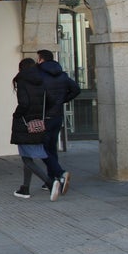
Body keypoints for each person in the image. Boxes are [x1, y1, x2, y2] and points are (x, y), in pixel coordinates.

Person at [10, 58, 57, 201]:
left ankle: (50, 183)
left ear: (21, 68)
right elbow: (51, 101)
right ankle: (25, 188)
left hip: (25, 124)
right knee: (28, 156)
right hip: (37, 123)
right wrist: (39, 114)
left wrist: (16, 115)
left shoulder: (22, 82)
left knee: (26, 158)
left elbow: (24, 103)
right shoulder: (40, 81)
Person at [36, 48, 81, 195]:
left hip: (44, 117)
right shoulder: (62, 75)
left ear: (41, 59)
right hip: (57, 116)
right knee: (51, 148)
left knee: (42, 149)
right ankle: (52, 179)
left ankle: (60, 173)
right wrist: (62, 101)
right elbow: (76, 89)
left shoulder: (39, 74)